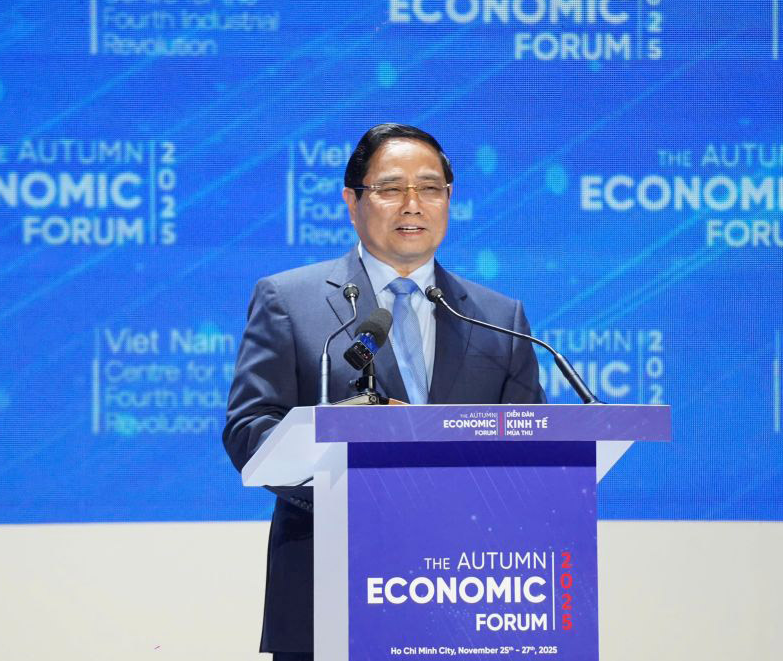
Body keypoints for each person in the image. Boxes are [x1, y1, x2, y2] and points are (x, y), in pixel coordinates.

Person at [222, 123, 546, 659]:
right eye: (391, 188)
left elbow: (531, 450)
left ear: (449, 199)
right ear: (352, 202)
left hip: (469, 594)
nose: (413, 204)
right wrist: (344, 454)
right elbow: (249, 431)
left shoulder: (499, 318)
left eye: (431, 188)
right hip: (331, 588)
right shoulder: (289, 301)